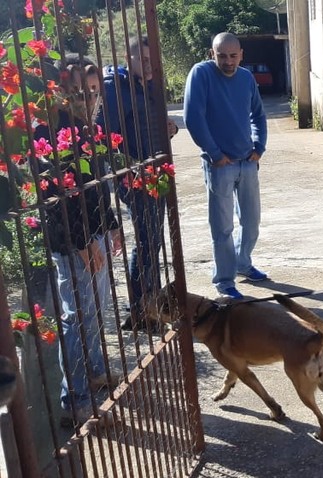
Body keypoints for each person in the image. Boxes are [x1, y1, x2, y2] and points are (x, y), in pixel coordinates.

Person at [35, 54, 123, 424]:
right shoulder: (49, 132)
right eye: (75, 92)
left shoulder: (88, 128)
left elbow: (96, 187)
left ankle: (95, 370)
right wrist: (85, 240)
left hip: (95, 233)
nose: (85, 100)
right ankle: (76, 400)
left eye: (90, 92)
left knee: (95, 310)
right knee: (77, 316)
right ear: (58, 93)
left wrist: (113, 224)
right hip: (73, 242)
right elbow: (57, 199)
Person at [96, 35, 178, 330]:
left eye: (151, 59)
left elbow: (144, 127)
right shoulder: (116, 89)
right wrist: (128, 168)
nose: (148, 64)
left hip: (156, 174)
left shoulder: (148, 86)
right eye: (141, 59)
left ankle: (151, 305)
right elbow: (103, 137)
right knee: (146, 243)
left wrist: (168, 129)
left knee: (153, 242)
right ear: (127, 59)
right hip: (136, 178)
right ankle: (141, 311)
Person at [184, 32, 268, 299]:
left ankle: (243, 263)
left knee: (252, 222)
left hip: (247, 162)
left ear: (241, 54)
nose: (228, 61)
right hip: (220, 165)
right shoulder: (201, 74)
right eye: (222, 56)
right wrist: (215, 154)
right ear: (212, 54)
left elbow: (258, 114)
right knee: (222, 228)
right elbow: (193, 117)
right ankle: (224, 280)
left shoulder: (246, 78)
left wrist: (259, 146)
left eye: (233, 56)